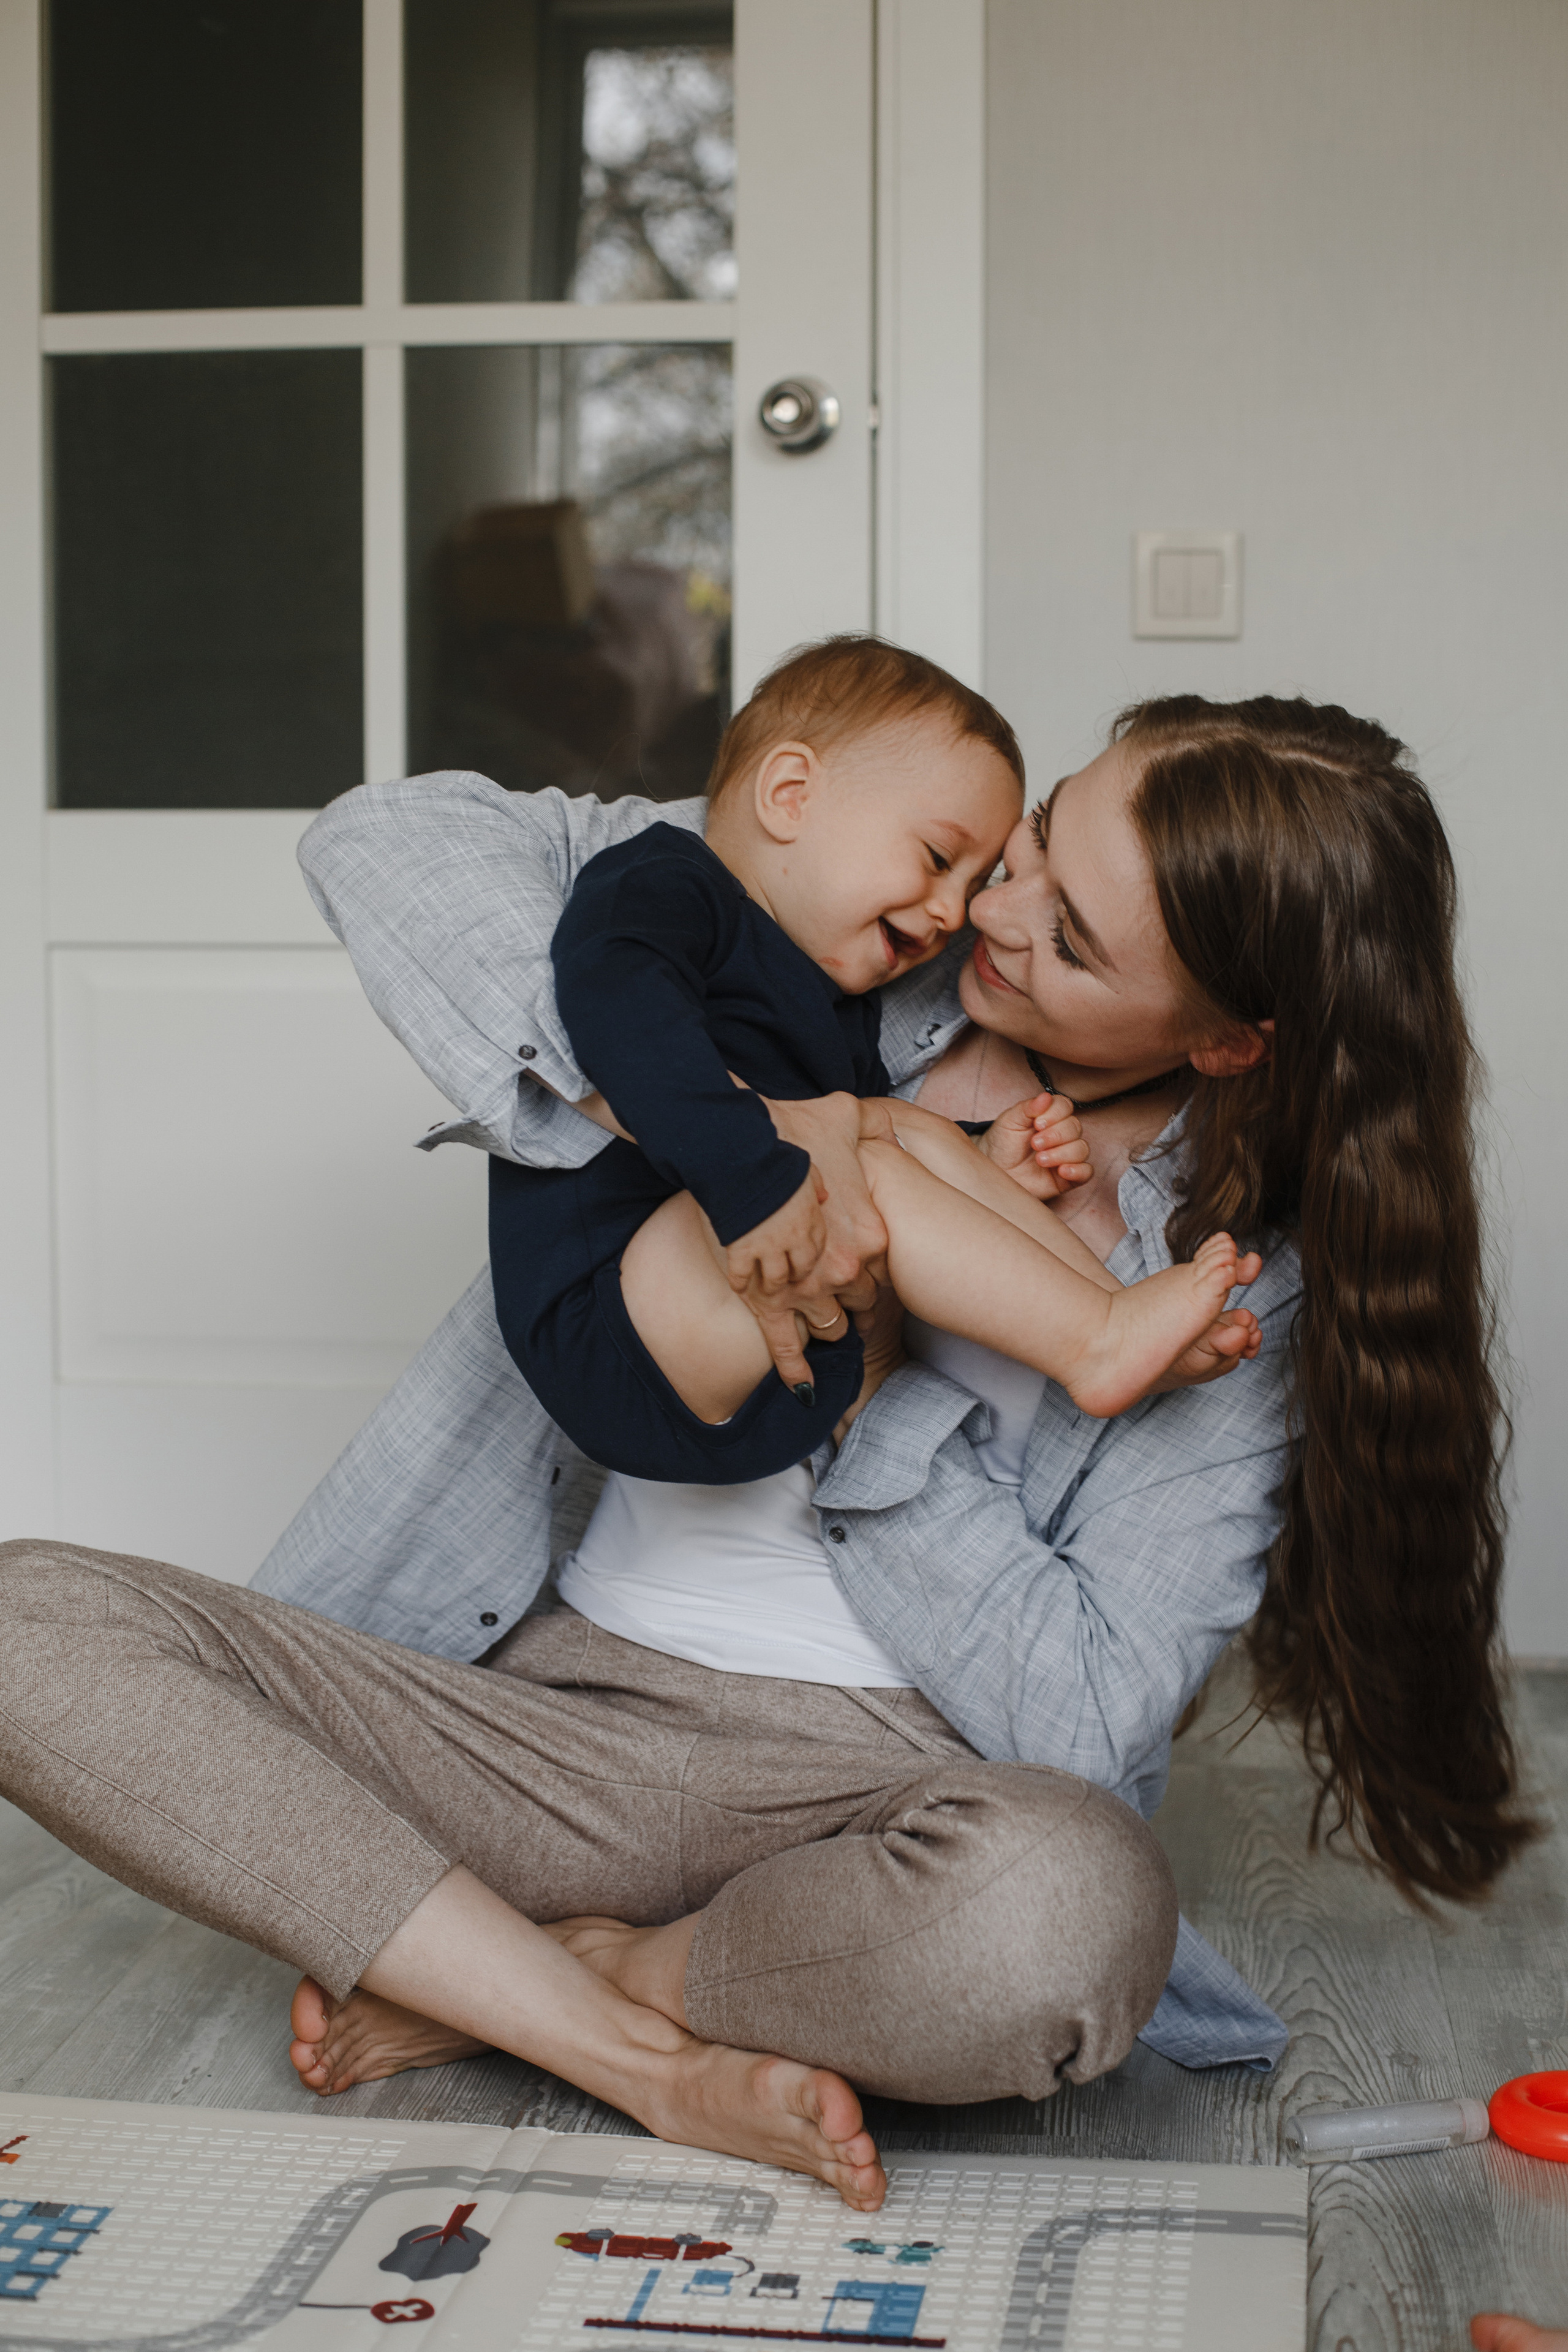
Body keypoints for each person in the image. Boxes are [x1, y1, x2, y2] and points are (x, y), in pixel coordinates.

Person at [0, 686, 1527, 2215]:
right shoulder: (838, 921)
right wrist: (686, 1102)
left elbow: (1084, 1718)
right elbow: (392, 837)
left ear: (1226, 1038)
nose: (991, 908)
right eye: (1036, 841)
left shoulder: (1231, 1293)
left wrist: (869, 1377)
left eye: (1070, 943)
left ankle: (571, 1975)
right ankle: (621, 2043)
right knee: (26, 1624)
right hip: (546, 1731)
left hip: (872, 1807)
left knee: (1064, 1921)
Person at [493, 639, 1260, 1485]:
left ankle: (1118, 1315)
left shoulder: (833, 981)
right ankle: (1098, 1342)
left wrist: (977, 1160)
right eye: (939, 859)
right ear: (790, 797)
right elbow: (619, 1016)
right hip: (611, 1323)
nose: (959, 910)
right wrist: (754, 1178)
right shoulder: (663, 886)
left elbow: (854, 1128)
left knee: (891, 1138)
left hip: (753, 1335)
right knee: (863, 1164)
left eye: (974, 873)